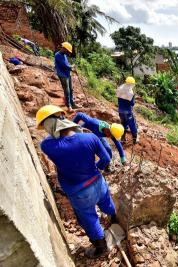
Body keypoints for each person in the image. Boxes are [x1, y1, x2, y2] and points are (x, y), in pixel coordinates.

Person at [37, 105, 116, 258]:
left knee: (89, 218)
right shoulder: (91, 137)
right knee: (106, 202)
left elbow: (53, 139)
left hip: (79, 192)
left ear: (50, 126)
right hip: (98, 182)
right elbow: (106, 158)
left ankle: (101, 247)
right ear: (63, 119)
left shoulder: (48, 146)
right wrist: (96, 169)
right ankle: (114, 219)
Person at [55, 42, 78, 112]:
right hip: (63, 75)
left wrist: (72, 67)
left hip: (68, 74)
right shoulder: (58, 55)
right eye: (67, 50)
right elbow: (65, 66)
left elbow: (67, 64)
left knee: (71, 89)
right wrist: (72, 68)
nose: (68, 52)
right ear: (64, 48)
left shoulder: (64, 55)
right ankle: (69, 106)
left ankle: (72, 103)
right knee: (67, 91)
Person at [116, 76, 138, 144]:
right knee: (132, 125)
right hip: (128, 112)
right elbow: (132, 104)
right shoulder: (131, 92)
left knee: (123, 124)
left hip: (120, 111)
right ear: (132, 84)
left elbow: (118, 98)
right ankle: (134, 140)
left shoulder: (120, 88)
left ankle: (123, 139)